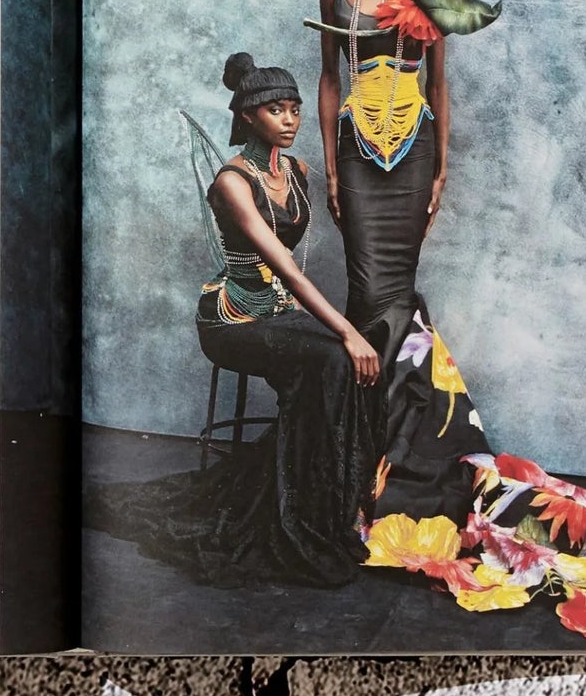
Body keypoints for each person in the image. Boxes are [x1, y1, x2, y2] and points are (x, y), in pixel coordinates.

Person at [86, 54, 386, 588]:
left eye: (295, 109)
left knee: (347, 361)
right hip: (232, 321)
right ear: (248, 116)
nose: (290, 120)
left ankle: (325, 506)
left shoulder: (296, 173)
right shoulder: (232, 181)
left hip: (279, 310)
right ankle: (292, 512)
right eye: (276, 110)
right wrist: (345, 329)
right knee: (337, 354)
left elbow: (298, 272)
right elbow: (287, 270)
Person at [313, 0, 493, 525]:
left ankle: (402, 455)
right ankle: (356, 454)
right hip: (357, 150)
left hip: (413, 149)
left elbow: (439, 85)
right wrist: (332, 167)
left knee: (398, 291)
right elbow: (329, 79)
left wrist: (442, 167)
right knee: (368, 293)